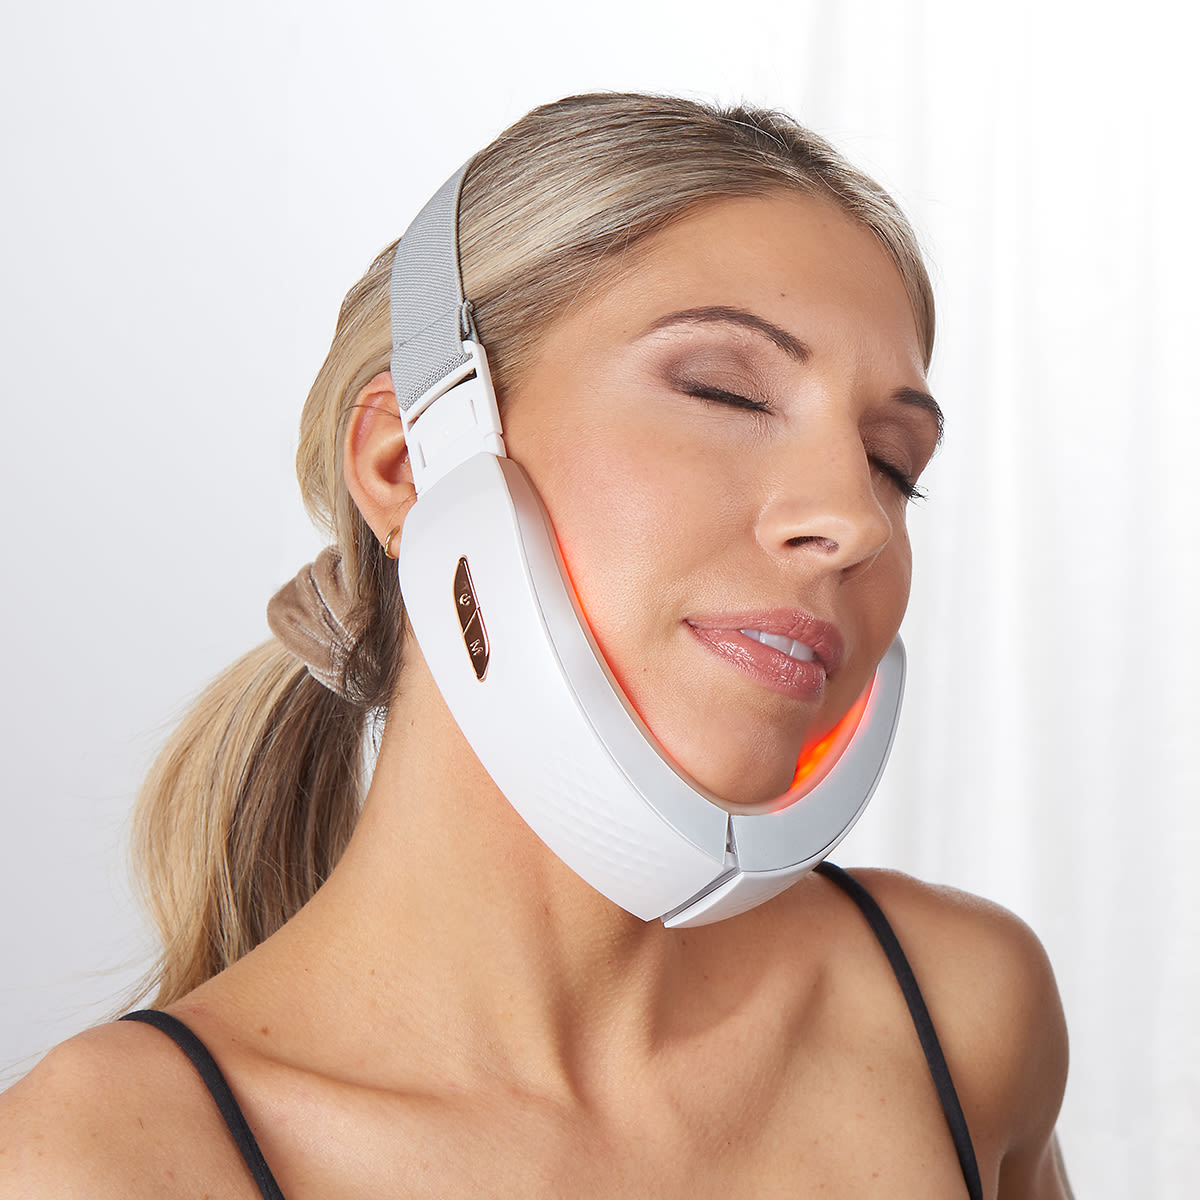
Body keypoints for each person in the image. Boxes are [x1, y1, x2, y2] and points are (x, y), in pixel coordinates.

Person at [0, 92, 1070, 1197]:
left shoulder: (962, 1014)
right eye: (724, 392)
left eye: (893, 463)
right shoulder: (96, 1163)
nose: (854, 517)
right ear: (408, 465)